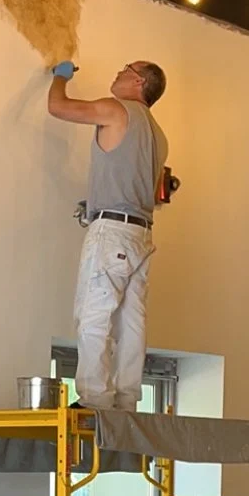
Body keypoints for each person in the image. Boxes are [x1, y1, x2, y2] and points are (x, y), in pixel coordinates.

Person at [47, 58, 169, 411]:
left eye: (125, 70)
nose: (117, 72)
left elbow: (58, 107)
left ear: (139, 83)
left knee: (94, 313)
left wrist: (59, 77)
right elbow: (132, 180)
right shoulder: (159, 135)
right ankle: (128, 400)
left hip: (112, 232)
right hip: (140, 235)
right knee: (131, 321)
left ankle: (95, 399)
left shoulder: (117, 110)